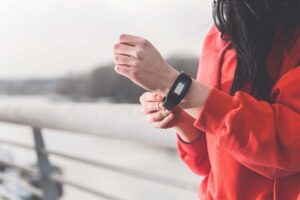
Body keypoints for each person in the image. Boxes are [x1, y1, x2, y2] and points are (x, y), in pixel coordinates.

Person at [113, 0, 300, 199]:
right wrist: (183, 119)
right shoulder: (218, 35)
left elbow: (289, 148)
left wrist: (174, 84)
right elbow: (204, 163)